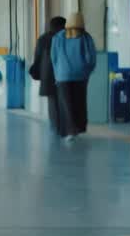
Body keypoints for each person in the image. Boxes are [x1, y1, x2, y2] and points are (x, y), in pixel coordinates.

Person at [50, 11, 97, 140]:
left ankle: (69, 131)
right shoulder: (86, 37)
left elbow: (53, 57)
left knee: (66, 104)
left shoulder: (57, 37)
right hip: (81, 76)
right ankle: (78, 128)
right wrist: (87, 71)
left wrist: (57, 73)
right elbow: (91, 58)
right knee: (79, 102)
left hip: (62, 75)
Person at [29, 16, 67, 134]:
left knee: (53, 102)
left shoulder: (43, 38)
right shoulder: (67, 38)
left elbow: (38, 58)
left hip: (48, 75)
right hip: (65, 74)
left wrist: (37, 71)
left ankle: (56, 127)